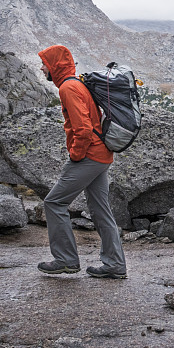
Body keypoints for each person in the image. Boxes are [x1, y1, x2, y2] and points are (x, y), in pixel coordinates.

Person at [36, 44, 128, 279]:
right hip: (102, 155)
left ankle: (65, 259)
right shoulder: (78, 84)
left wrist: (76, 156)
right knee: (100, 210)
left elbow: (84, 129)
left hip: (89, 156)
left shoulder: (68, 88)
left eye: (44, 64)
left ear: (54, 65)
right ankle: (115, 264)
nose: (41, 68)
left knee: (54, 202)